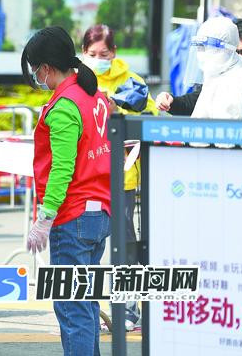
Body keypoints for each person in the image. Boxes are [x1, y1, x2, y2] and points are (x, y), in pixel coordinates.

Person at [23, 26, 111, 356]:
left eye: (35, 69)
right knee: (85, 303)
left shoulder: (64, 106)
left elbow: (62, 169)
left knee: (73, 308)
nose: (36, 76)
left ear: (46, 67)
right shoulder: (93, 95)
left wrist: (45, 217)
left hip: (72, 216)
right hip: (99, 212)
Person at [82, 24, 157, 330]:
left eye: (103, 53)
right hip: (87, 178)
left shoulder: (132, 81)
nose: (98, 59)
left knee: (124, 246)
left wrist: (118, 113)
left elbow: (150, 120)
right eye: (92, 53)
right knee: (89, 245)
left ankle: (128, 310)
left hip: (122, 178)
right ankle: (90, 310)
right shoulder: (78, 80)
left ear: (113, 52)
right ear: (83, 52)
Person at [156, 16, 242, 115]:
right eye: (235, 52)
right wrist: (172, 101)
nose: (238, 57)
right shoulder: (221, 76)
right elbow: (195, 101)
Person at [188, 17, 242, 120]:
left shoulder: (237, 83)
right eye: (201, 49)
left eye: (211, 49)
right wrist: (173, 101)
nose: (203, 55)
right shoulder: (215, 78)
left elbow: (227, 126)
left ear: (228, 49)